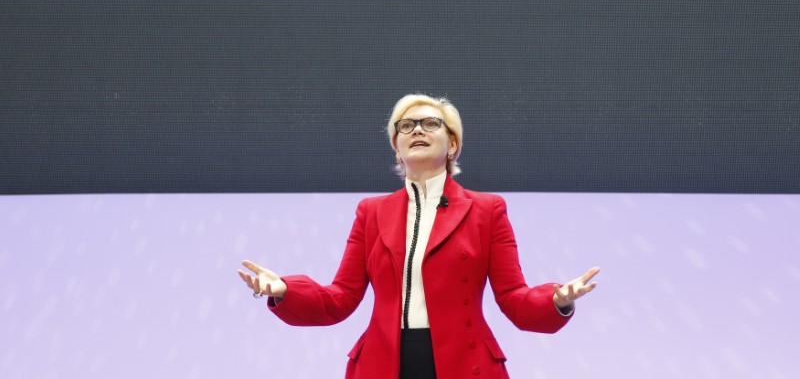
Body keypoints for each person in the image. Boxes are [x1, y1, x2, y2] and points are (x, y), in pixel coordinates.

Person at [238, 94, 599, 379]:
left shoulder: (487, 209)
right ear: (396, 146)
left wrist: (558, 300)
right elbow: (339, 299)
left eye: (430, 123)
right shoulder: (371, 211)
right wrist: (286, 291)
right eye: (406, 126)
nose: (416, 130)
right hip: (384, 364)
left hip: (465, 363)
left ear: (453, 144)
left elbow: (514, 299)